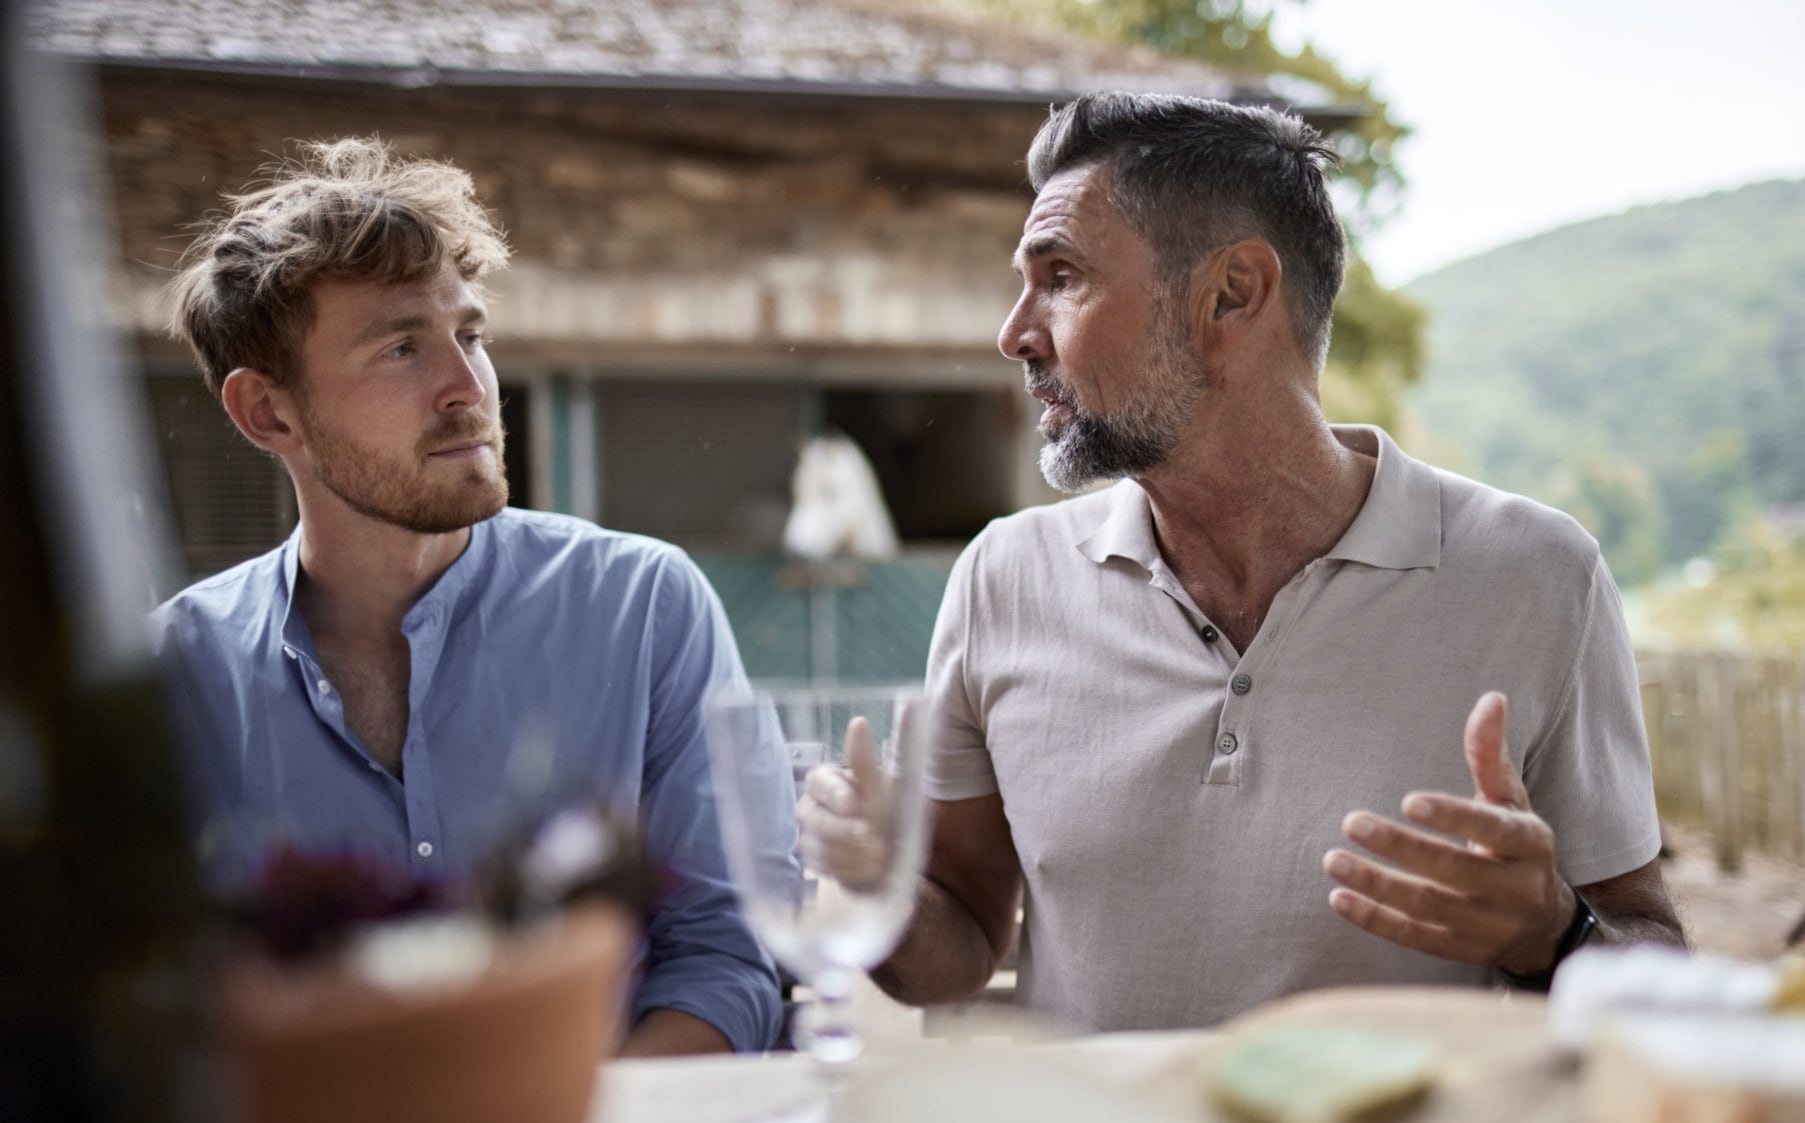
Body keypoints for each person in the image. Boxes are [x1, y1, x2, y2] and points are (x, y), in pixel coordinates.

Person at [803, 93, 1685, 1034]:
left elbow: (1658, 968)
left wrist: (1556, 931)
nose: (1015, 332)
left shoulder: (1538, 577)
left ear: (1232, 294)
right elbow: (957, 951)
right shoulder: (1002, 579)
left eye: (1061, 278)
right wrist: (879, 882)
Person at [152, 139, 786, 1056]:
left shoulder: (645, 606)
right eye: (402, 347)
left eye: (471, 336)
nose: (468, 388)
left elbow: (727, 955)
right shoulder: (176, 671)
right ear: (268, 413)